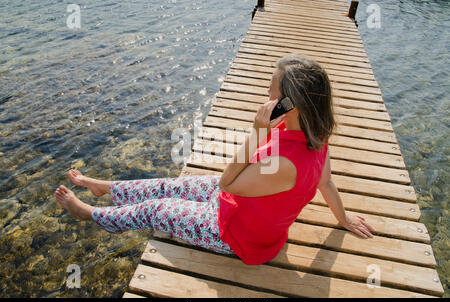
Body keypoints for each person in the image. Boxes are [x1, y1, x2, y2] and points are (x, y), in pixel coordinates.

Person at [55, 54, 375, 265]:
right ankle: (107, 188)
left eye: (272, 91)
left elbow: (227, 182)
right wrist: (343, 218)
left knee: (157, 209)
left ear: (290, 104)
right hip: (240, 204)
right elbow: (327, 181)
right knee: (172, 186)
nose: (266, 94)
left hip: (236, 234)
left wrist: (258, 132)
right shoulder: (315, 135)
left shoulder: (288, 161)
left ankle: (93, 215)